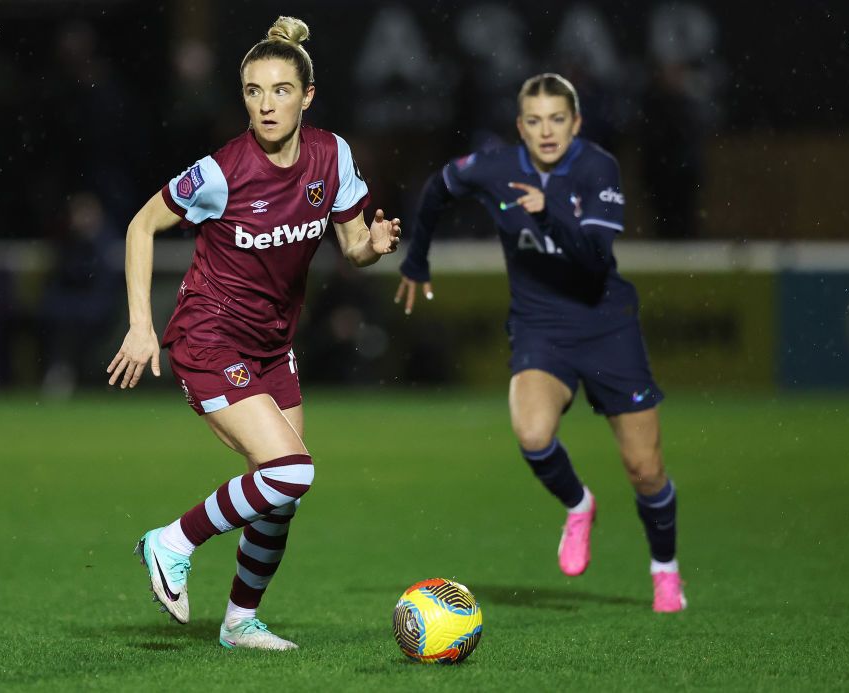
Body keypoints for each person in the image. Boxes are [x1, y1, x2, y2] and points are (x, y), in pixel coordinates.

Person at [106, 16, 401, 650]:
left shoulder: (333, 155)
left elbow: (350, 246)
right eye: (252, 91)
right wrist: (140, 324)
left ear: (307, 96)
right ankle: (171, 541)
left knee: (279, 498)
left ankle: (240, 621)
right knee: (292, 471)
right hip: (209, 340)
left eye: (280, 90)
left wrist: (372, 247)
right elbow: (139, 225)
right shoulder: (221, 172)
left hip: (272, 347)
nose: (265, 105)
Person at [395, 73, 685, 612]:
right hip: (540, 326)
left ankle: (665, 570)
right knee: (532, 433)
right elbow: (439, 188)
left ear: (575, 123)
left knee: (645, 469)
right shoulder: (496, 166)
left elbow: (596, 257)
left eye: (557, 119)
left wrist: (547, 209)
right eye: (534, 120)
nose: (546, 131)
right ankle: (579, 505)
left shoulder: (598, 168)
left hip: (606, 326)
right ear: (520, 126)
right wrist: (417, 258)